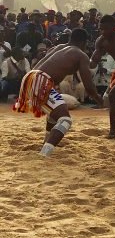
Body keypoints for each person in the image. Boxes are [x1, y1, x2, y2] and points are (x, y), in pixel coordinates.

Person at [14, 28, 103, 157]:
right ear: (84, 42)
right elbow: (88, 85)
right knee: (65, 120)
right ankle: (45, 154)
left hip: (30, 77)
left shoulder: (59, 47)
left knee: (53, 114)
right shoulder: (80, 54)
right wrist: (100, 101)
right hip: (41, 81)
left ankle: (47, 141)